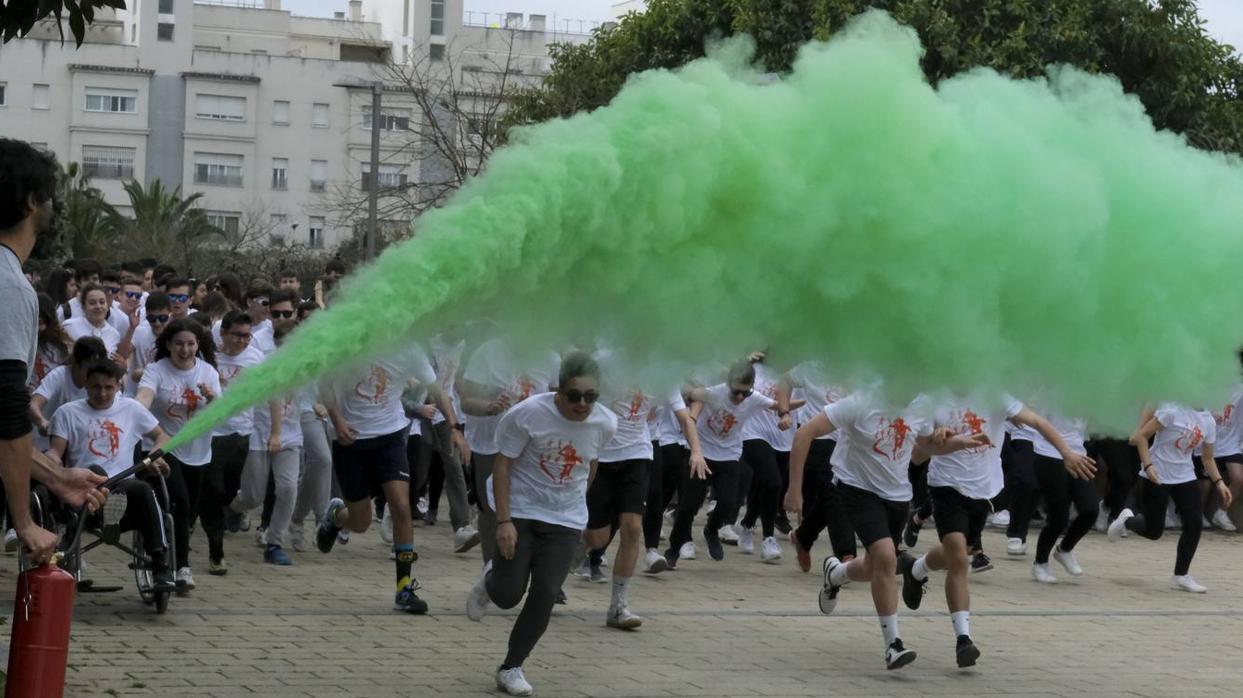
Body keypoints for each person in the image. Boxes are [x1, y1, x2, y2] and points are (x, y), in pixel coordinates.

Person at [785, 389, 987, 670]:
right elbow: (804, 433)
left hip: (897, 495)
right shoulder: (860, 402)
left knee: (874, 567)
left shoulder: (922, 403)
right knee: (885, 558)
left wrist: (957, 442)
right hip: (856, 488)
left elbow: (925, 448)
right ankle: (893, 645)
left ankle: (836, 574)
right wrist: (795, 489)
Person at [891, 395, 1096, 667]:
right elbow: (918, 453)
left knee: (957, 553)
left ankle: (916, 569)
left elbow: (1036, 421)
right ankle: (963, 639)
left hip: (983, 491)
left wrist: (1067, 453)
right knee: (959, 558)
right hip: (945, 488)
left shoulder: (993, 392)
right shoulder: (932, 397)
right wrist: (935, 441)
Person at [464, 351, 618, 696]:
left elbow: (590, 465)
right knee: (507, 595)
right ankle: (492, 579)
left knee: (546, 592)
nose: (583, 404)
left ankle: (511, 666)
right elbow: (502, 466)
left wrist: (571, 504)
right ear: (558, 390)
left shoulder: (606, 423)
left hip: (564, 518)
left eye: (591, 397)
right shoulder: (528, 414)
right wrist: (504, 521)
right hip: (519, 508)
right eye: (575, 396)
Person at [0, 137, 107, 566]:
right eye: (51, 195)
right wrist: (23, 521)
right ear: (31, 201)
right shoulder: (8, 285)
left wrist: (59, 477)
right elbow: (6, 409)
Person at [315, 343, 460, 614]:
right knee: (360, 522)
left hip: (390, 437)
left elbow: (438, 390)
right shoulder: (347, 345)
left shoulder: (409, 348)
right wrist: (337, 422)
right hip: (351, 439)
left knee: (401, 506)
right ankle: (336, 515)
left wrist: (455, 427)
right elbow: (324, 385)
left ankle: (404, 588)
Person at [585, 351, 704, 629]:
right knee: (597, 535)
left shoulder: (662, 371)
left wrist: (697, 450)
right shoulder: (603, 361)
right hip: (599, 457)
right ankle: (581, 546)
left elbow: (685, 417)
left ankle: (618, 605)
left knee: (632, 528)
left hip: (638, 454)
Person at [46, 360, 176, 588]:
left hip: (125, 488)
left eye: (108, 387)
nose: (102, 393)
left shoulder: (132, 409)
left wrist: (156, 455)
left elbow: (162, 436)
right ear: (85, 385)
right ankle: (106, 513)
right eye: (96, 387)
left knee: (145, 489)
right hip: (84, 489)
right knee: (95, 473)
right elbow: (56, 452)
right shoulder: (67, 412)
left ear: (118, 386)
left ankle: (160, 566)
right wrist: (52, 461)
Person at [665, 361, 799, 566]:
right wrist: (695, 450)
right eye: (736, 392)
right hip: (702, 455)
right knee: (688, 507)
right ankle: (674, 548)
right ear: (728, 384)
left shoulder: (753, 398)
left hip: (729, 456)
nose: (739, 398)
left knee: (728, 503)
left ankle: (711, 529)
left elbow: (776, 405)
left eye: (745, 393)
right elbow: (690, 416)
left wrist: (786, 413)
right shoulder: (711, 394)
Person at [135, 318, 222, 592]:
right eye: (179, 344)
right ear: (168, 345)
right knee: (180, 504)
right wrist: (136, 410)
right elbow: (143, 399)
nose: (185, 350)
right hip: (163, 448)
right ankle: (182, 568)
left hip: (198, 451)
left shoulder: (208, 372)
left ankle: (173, 550)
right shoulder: (156, 370)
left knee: (189, 512)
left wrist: (212, 398)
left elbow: (221, 410)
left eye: (190, 344)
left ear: (198, 345)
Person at [458, 338, 561, 565]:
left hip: (533, 448)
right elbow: (466, 401)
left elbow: (559, 404)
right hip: (490, 443)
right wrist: (490, 406)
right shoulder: (487, 352)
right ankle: (490, 568)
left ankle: (535, 568)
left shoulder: (551, 358)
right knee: (491, 509)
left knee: (533, 509)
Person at [1109, 403, 1232, 592]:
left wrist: (1220, 482)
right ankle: (1127, 520)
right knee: (1153, 531)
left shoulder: (1208, 420)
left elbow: (1207, 458)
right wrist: (1148, 466)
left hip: (1185, 475)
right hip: (1156, 474)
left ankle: (1181, 575)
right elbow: (1141, 437)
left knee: (1194, 524)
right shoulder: (1171, 411)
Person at [228, 320, 302, 566]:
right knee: (253, 497)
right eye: (284, 343)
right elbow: (273, 396)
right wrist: (275, 433)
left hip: (291, 436)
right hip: (260, 433)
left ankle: (275, 543)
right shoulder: (264, 362)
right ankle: (234, 508)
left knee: (288, 488)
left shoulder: (307, 363)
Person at [206, 310, 265, 574]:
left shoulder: (255, 357)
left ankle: (234, 511)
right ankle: (216, 551)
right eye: (237, 335)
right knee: (213, 492)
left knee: (235, 493)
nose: (242, 341)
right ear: (223, 333)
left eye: (246, 335)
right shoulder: (209, 356)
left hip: (243, 433)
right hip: (213, 434)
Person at [734, 352, 794, 561]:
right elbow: (726, 380)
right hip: (752, 433)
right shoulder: (752, 369)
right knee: (773, 481)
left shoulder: (793, 374)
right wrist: (744, 362)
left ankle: (748, 524)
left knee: (764, 485)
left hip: (782, 434)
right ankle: (769, 538)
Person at [63, 284, 124, 359]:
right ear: (83, 307)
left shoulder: (114, 334)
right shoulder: (69, 327)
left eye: (102, 302)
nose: (98, 306)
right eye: (92, 303)